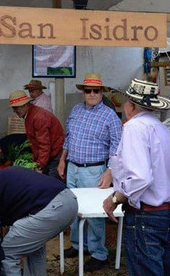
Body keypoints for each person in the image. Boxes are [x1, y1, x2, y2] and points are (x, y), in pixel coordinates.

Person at [103, 79, 170, 276]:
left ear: (131, 105)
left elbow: (140, 177)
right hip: (165, 212)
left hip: (146, 215)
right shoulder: (162, 128)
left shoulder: (134, 127)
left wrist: (114, 199)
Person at [57, 72, 123, 272]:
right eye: (88, 90)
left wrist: (110, 171)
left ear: (102, 92)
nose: (92, 94)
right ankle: (79, 245)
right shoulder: (76, 110)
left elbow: (118, 147)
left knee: (95, 213)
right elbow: (68, 138)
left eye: (96, 90)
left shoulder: (109, 115)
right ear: (83, 92)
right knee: (73, 209)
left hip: (94, 170)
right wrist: (62, 160)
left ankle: (99, 253)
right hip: (73, 167)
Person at [0, 167, 78, 276]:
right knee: (34, 249)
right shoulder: (1, 177)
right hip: (69, 200)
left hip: (52, 208)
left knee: (7, 252)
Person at [8, 90, 64, 178]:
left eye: (16, 108)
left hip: (54, 155)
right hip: (50, 155)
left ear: (25, 105)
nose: (14, 111)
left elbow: (44, 144)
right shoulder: (31, 114)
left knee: (52, 185)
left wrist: (40, 166)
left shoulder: (38, 117)